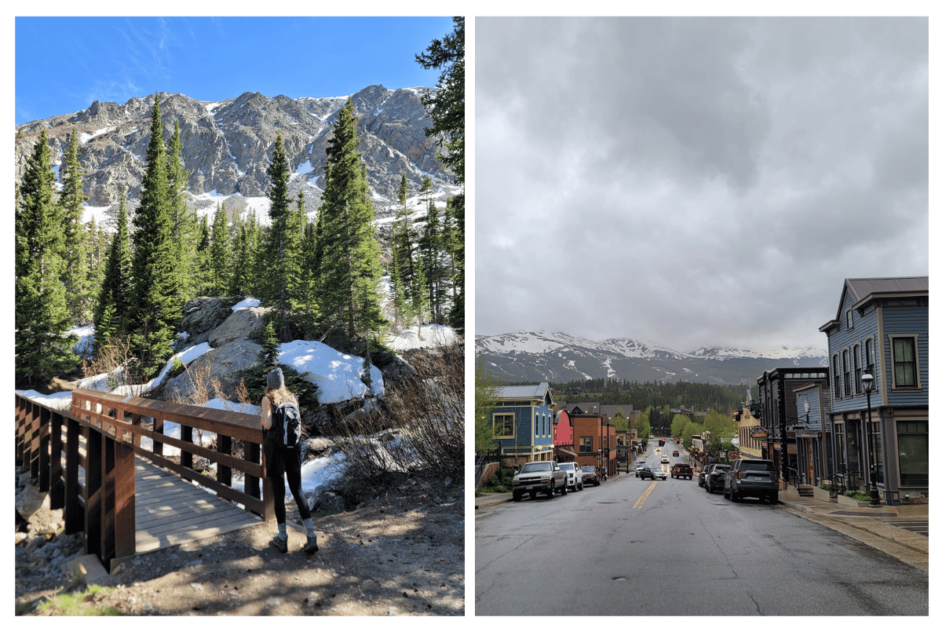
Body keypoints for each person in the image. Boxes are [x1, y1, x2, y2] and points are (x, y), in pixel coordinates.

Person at [261, 367, 318, 554]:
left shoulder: (268, 399)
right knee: (298, 490)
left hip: (275, 450)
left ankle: (283, 538)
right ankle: (311, 537)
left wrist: (262, 420)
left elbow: (268, 424)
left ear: (269, 382)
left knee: (279, 493)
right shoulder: (292, 398)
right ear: (283, 382)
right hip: (293, 448)